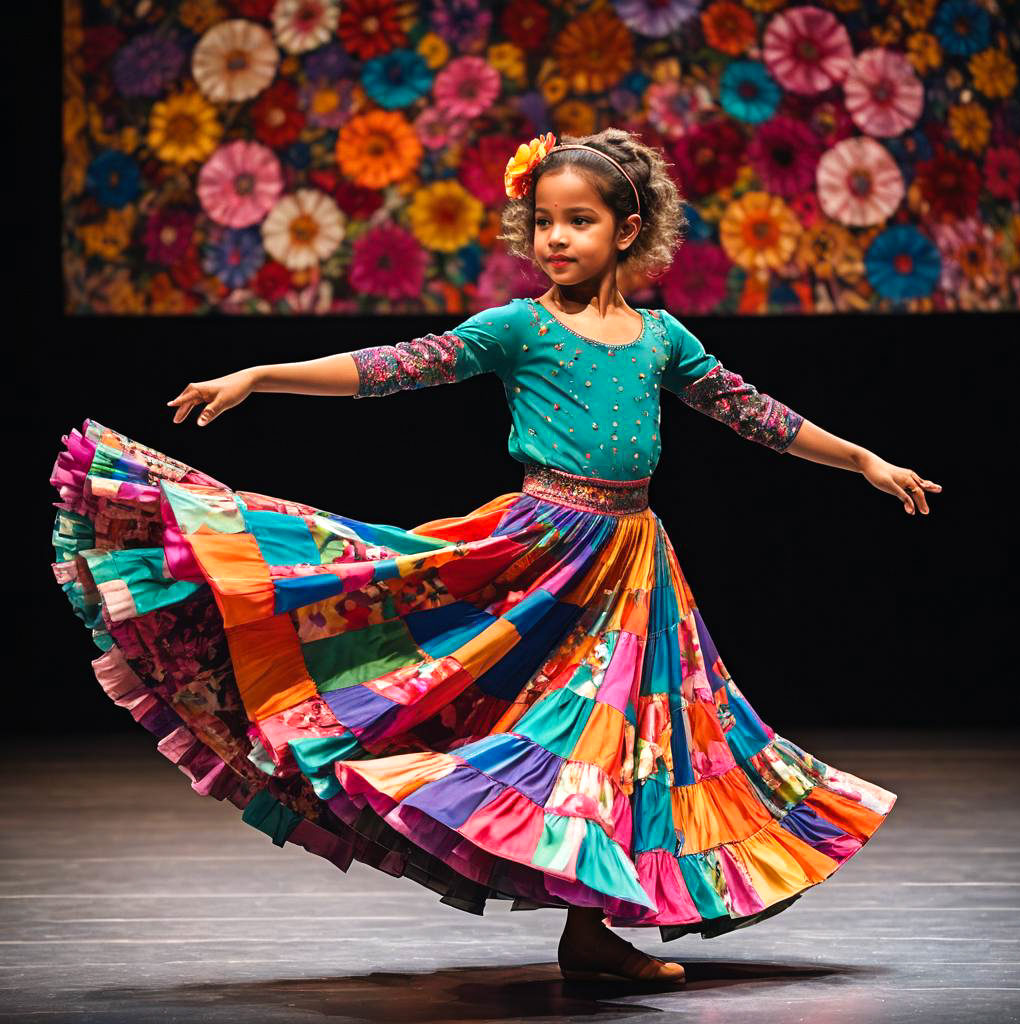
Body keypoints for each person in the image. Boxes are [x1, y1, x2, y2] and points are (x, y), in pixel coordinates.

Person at [50, 128, 940, 987]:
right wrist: (262, 375)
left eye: (579, 220)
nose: (556, 237)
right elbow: (396, 364)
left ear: (627, 231)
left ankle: (590, 933)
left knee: (622, 741)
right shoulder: (520, 326)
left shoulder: (663, 338)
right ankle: (537, 887)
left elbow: (755, 413)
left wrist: (862, 458)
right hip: (538, 554)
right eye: (544, 220)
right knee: (513, 703)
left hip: (631, 565)